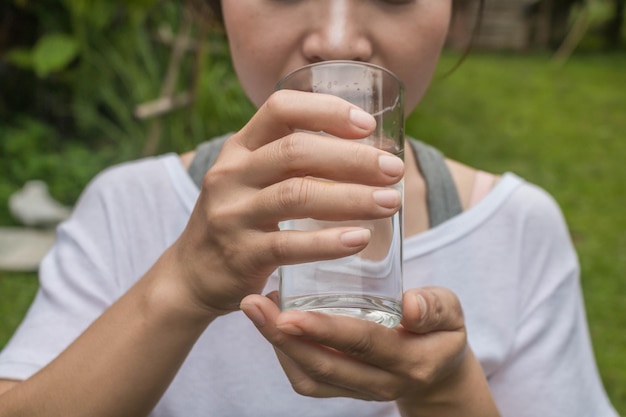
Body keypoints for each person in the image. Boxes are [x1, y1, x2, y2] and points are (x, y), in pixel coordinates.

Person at [0, 0, 618, 416]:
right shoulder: (126, 207)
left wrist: (450, 391)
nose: (338, 38)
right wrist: (180, 285)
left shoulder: (516, 229)